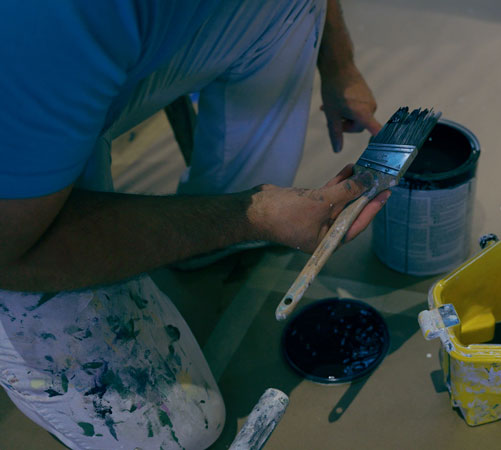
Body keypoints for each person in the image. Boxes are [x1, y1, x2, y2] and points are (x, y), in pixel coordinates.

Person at [0, 0, 388, 448]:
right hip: (15, 208)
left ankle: (219, 246)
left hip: (75, 69)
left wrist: (339, 63)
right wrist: (252, 216)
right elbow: (12, 253)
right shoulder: (51, 20)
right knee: (179, 433)